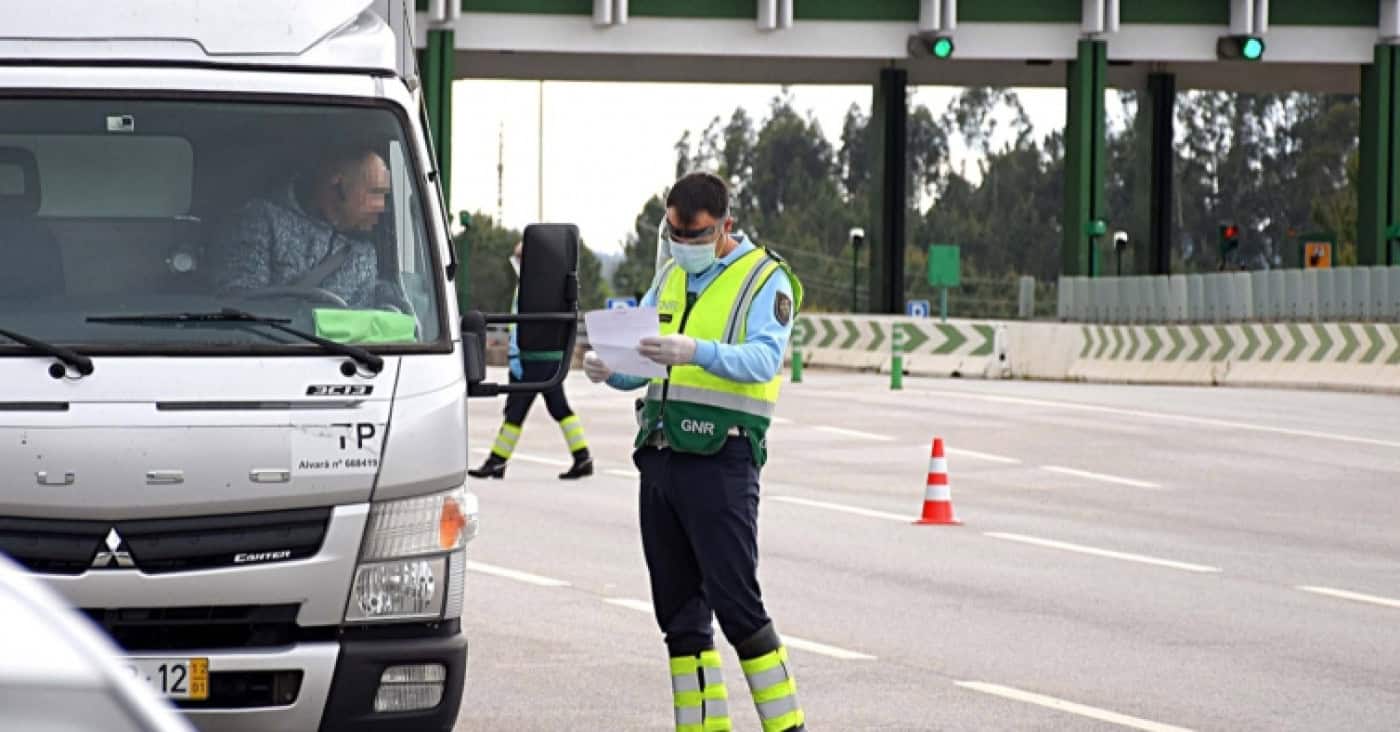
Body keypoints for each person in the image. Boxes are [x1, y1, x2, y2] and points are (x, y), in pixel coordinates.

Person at [584, 172, 806, 732]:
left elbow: (762, 360)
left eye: (697, 235)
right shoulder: (668, 278)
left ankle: (788, 727)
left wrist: (696, 350)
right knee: (680, 620)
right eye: (676, 234)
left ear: (726, 224)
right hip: (660, 458)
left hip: (721, 459)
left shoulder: (765, 280)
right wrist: (610, 370)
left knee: (739, 610)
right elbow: (643, 365)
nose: (684, 247)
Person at [213, 141, 409, 311]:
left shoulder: (365, 253)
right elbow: (239, 306)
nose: (381, 206)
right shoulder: (261, 220)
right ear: (338, 184)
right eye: (375, 193)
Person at [468, 241, 594, 481]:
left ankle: (496, 462)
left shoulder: (531, 287)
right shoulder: (549, 285)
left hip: (531, 358)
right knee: (556, 408)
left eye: (519, 259)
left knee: (517, 410)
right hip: (545, 358)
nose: (516, 264)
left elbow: (521, 324)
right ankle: (582, 456)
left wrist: (516, 356)